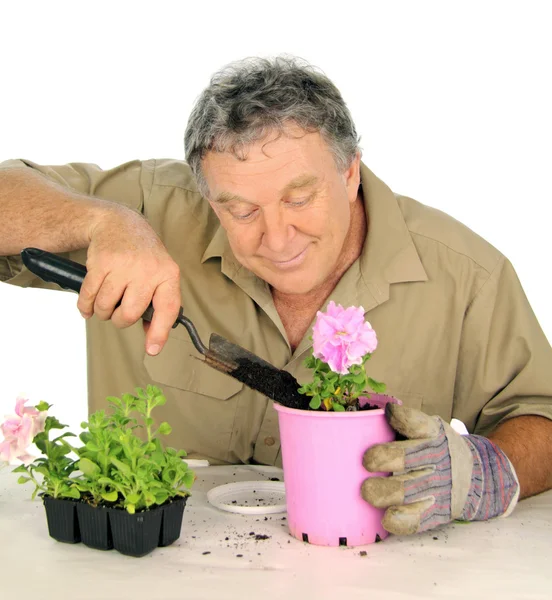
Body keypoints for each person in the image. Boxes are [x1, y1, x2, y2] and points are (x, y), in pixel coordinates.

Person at [1, 56, 551, 535]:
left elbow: (544, 418)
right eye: (241, 210)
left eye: (299, 198)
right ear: (207, 194)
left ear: (350, 172)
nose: (277, 238)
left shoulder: (467, 274)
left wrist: (489, 471)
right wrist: (100, 223)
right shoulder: (150, 207)